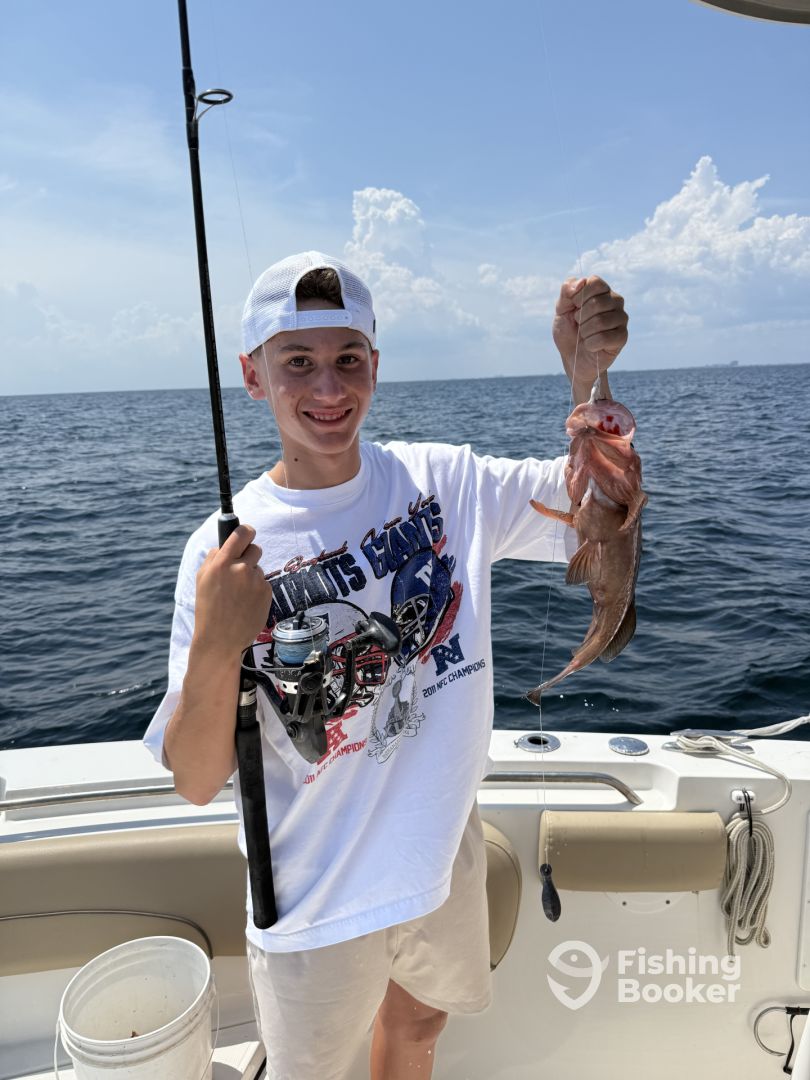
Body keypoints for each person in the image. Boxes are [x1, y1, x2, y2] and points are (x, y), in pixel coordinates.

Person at [143, 251, 628, 1079]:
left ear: (375, 364)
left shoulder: (446, 481)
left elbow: (597, 514)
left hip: (438, 858)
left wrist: (587, 380)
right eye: (298, 362)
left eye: (348, 358)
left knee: (420, 1029)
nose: (329, 387)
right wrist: (220, 643)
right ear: (253, 376)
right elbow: (194, 778)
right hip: (314, 900)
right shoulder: (220, 554)